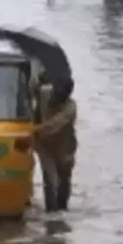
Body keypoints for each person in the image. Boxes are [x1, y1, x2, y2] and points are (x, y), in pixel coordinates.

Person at [34, 78, 77, 213]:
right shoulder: (44, 92)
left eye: (59, 97)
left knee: (64, 180)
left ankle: (62, 209)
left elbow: (52, 124)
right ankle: (51, 214)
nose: (54, 98)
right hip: (45, 145)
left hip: (65, 146)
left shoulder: (70, 108)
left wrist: (32, 129)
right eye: (55, 93)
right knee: (51, 181)